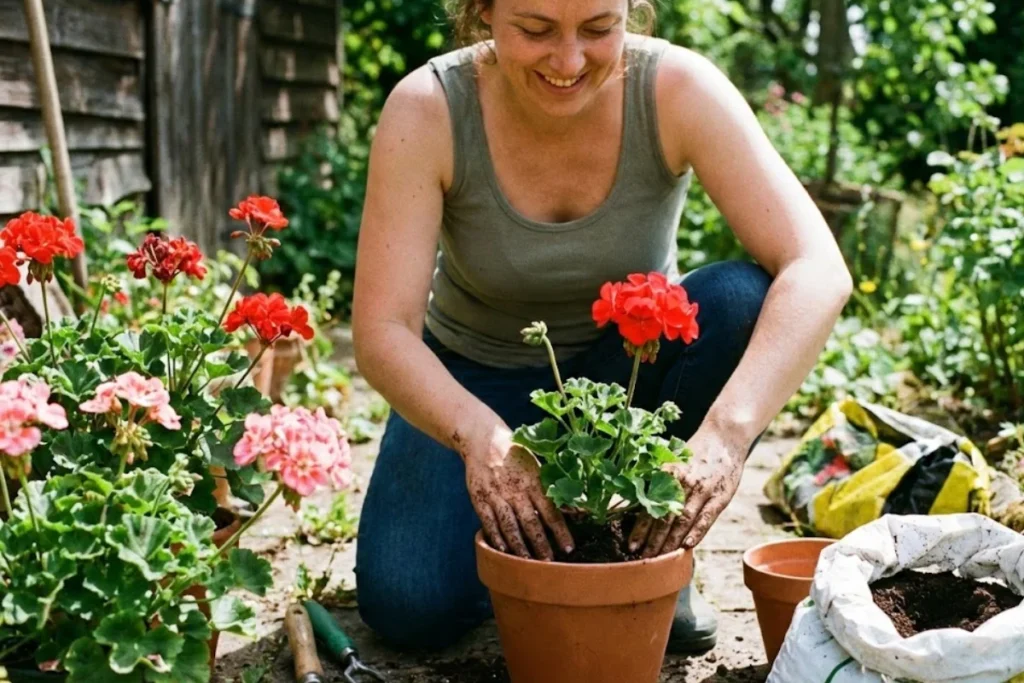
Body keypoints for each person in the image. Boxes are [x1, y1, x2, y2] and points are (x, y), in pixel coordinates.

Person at [350, 0, 852, 653]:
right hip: (471, 384)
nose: (569, 61)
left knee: (738, 299)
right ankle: (562, 553)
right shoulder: (428, 108)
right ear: (485, 12)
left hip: (630, 379)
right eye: (535, 29)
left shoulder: (677, 89)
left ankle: (651, 549)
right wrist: (476, 437)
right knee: (409, 605)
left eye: (597, 29)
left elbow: (818, 269)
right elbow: (383, 329)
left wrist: (725, 438)